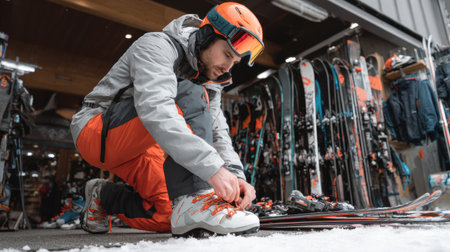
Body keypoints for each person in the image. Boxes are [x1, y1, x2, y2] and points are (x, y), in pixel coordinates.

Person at [70, 2, 264, 236]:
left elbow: (216, 131)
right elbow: (156, 108)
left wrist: (235, 176)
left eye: (235, 62)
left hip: (141, 146)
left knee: (170, 215)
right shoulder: (156, 45)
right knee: (189, 89)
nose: (228, 67)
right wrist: (212, 171)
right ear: (205, 35)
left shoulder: (209, 79)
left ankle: (102, 196)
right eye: (227, 55)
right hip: (96, 131)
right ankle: (195, 200)